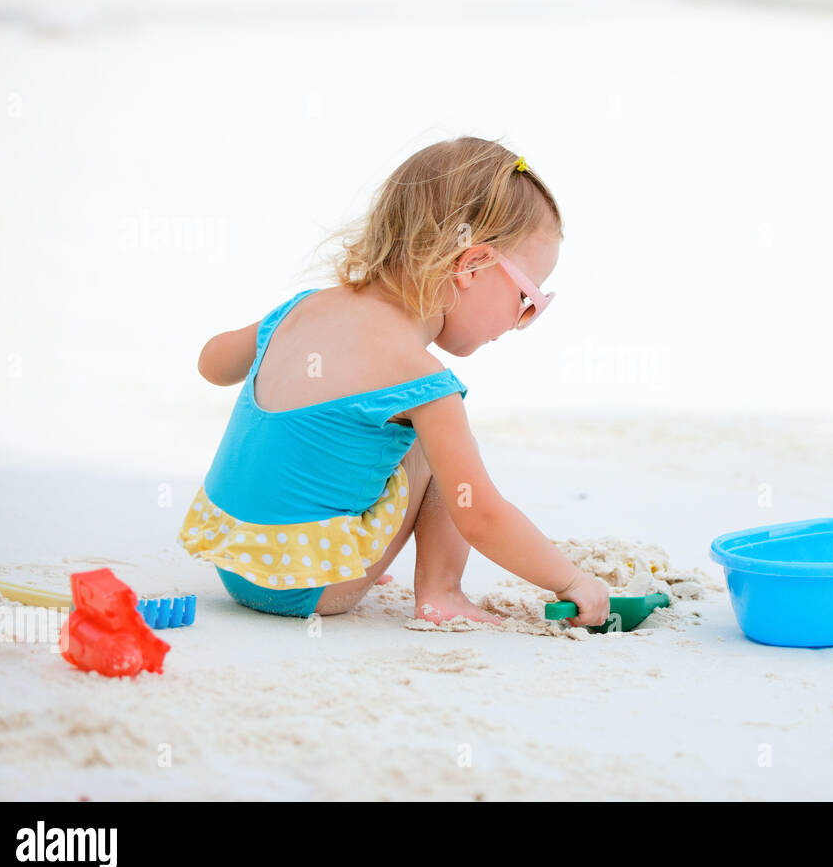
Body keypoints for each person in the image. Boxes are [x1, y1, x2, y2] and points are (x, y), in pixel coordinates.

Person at [176, 137, 610, 627]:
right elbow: (480, 514)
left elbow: (212, 364)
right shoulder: (420, 376)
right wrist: (572, 581)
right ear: (473, 265)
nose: (520, 321)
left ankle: (331, 540)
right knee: (440, 446)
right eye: (528, 300)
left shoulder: (299, 309)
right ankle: (441, 592)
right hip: (310, 588)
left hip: (235, 563)